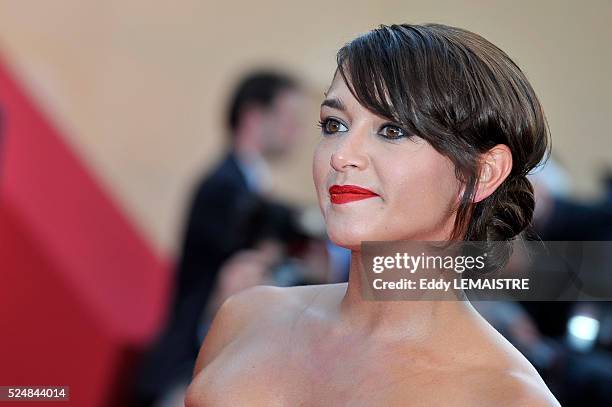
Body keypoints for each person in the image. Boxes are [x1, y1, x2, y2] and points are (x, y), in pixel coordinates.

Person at [185, 24, 561, 406]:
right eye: (335, 125)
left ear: (482, 172)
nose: (341, 153)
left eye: (392, 130)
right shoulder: (243, 319)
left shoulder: (507, 397)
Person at [135, 71, 305, 406]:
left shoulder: (246, 186)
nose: (296, 131)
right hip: (189, 366)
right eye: (288, 119)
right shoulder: (223, 187)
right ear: (255, 117)